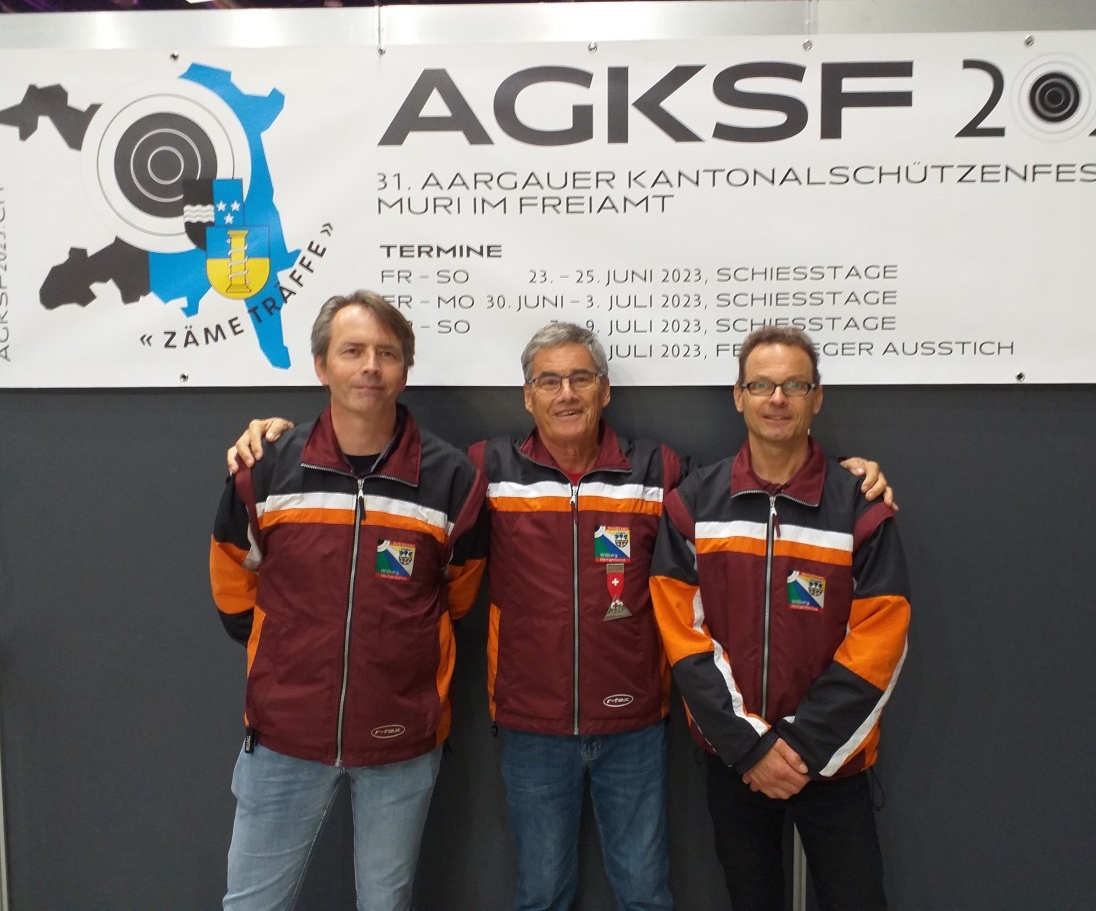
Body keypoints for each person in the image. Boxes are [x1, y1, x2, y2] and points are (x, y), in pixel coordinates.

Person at [226, 322, 893, 911]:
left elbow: (760, 479)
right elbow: (448, 577)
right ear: (527, 395)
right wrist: (272, 433)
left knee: (645, 892)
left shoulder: (661, 471)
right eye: (549, 380)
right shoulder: (484, 470)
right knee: (542, 893)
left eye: (581, 378)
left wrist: (851, 475)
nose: (566, 393)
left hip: (635, 725)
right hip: (531, 727)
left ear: (605, 389)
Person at [209, 291, 487, 911]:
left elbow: (459, 591)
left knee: (385, 903)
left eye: (386, 353)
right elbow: (232, 573)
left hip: (400, 740)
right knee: (252, 904)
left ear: (404, 370)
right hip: (284, 735)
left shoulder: (451, 479)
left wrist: (400, 648)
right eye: (352, 350)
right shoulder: (266, 467)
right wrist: (281, 649)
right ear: (321, 365)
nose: (370, 367)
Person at [649, 325, 911, 911]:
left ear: (817, 398)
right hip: (737, 761)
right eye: (761, 385)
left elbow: (881, 638)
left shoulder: (859, 507)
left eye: (794, 385)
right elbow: (683, 638)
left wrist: (801, 745)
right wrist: (751, 747)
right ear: (737, 396)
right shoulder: (693, 505)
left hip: (833, 761)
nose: (777, 399)